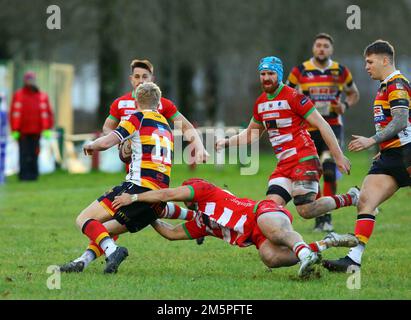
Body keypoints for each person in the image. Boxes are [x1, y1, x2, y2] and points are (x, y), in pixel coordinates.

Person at [111, 178, 359, 278]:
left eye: (186, 195)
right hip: (254, 235)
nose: (184, 198)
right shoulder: (201, 223)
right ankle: (327, 242)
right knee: (270, 258)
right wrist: (148, 217)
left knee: (273, 231)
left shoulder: (204, 189)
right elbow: (170, 233)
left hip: (262, 212)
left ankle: (305, 255)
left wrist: (136, 199)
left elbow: (170, 193)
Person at [216, 56, 358, 223]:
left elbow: (322, 125)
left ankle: (351, 197)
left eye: (271, 73)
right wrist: (226, 143)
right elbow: (251, 134)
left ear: (279, 74)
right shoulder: (260, 103)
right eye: (263, 74)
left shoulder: (293, 97)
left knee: (305, 210)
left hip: (304, 159)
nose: (266, 78)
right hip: (284, 166)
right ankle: (286, 245)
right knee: (269, 211)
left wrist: (338, 156)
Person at [59, 82, 175, 274]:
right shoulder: (166, 127)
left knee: (84, 219)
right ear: (158, 102)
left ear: (136, 101)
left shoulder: (137, 118)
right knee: (105, 229)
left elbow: (107, 142)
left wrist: (91, 145)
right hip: (157, 199)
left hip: (138, 188)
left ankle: (113, 251)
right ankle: (82, 261)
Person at [323, 40, 411, 272]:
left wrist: (372, 140)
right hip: (391, 156)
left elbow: (401, 120)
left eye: (369, 61)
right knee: (365, 200)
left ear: (385, 60)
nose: (366, 66)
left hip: (407, 153)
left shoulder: (397, 84)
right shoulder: (385, 86)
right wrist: (382, 149)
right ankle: (353, 259)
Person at [286, 33, 360, 232]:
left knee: (328, 168)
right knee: (314, 172)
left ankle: (326, 217)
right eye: (318, 45)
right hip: (308, 129)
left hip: (333, 126)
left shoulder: (340, 71)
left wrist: (345, 104)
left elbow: (354, 93)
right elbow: (286, 95)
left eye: (325, 46)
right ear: (313, 48)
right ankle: (320, 216)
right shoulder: (299, 71)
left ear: (331, 49)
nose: (321, 49)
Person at [102, 59, 209, 165]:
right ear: (131, 79)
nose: (140, 81)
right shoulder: (120, 103)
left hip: (157, 162)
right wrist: (120, 141)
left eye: (145, 76)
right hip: (132, 164)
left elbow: (186, 126)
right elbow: (107, 128)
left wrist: (200, 148)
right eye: (137, 76)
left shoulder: (163, 104)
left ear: (152, 79)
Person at [9, 71, 54, 181]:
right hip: (23, 131)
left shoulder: (42, 96)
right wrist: (14, 129)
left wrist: (48, 127)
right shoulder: (19, 95)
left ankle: (33, 175)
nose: (30, 82)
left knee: (34, 153)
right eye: (28, 79)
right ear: (25, 81)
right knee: (24, 153)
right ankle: (24, 175)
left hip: (37, 131)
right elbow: (13, 113)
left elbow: (48, 113)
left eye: (32, 79)